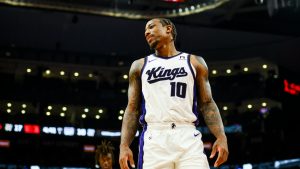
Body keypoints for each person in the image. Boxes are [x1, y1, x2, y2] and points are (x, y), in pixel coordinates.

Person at [119, 18, 229, 169]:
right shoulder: (139, 65)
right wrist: (124, 145)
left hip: (187, 134)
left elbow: (207, 103)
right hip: (155, 137)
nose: (147, 32)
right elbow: (132, 109)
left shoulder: (195, 62)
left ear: (168, 29)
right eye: (145, 30)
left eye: (151, 27)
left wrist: (221, 136)